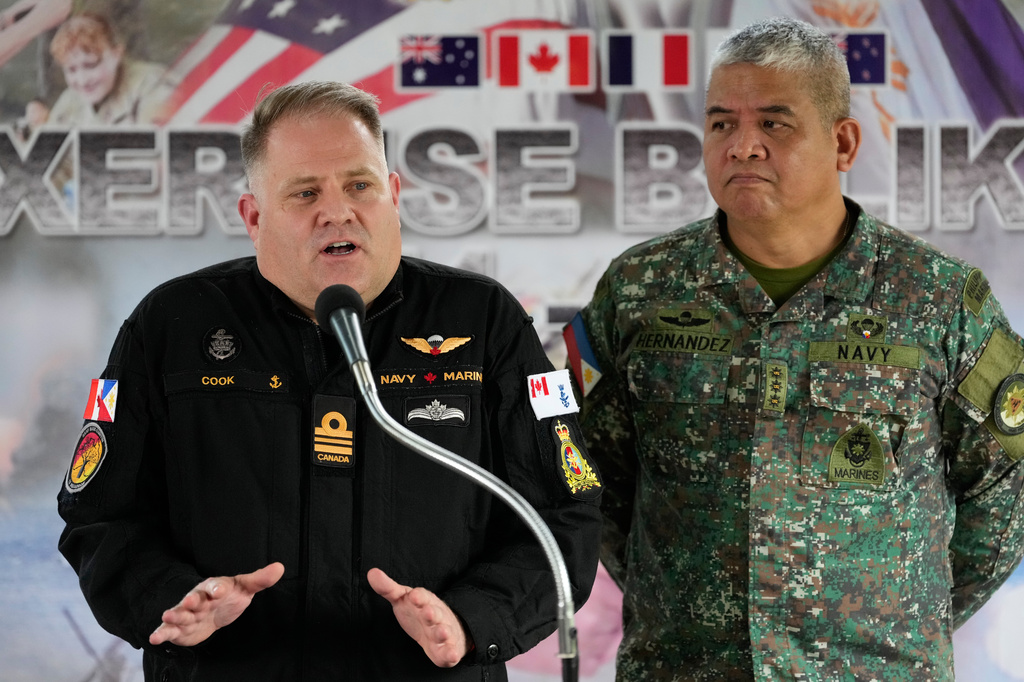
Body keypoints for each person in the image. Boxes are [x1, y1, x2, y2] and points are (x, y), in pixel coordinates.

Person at [57, 80, 603, 681]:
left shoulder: (484, 320)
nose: (337, 210)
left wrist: (471, 619)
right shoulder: (172, 324)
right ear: (255, 216)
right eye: (305, 192)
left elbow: (562, 512)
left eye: (360, 185)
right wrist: (171, 598)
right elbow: (99, 515)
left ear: (393, 194)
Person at [567, 16, 1024, 681]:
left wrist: (900, 614)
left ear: (842, 142)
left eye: (774, 124)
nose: (742, 146)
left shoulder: (939, 301)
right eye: (722, 123)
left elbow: (1004, 490)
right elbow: (585, 465)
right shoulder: (639, 291)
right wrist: (673, 593)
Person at [46, 12, 170, 125]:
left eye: (91, 65)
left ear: (117, 54)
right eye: (71, 69)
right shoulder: (69, 102)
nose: (82, 80)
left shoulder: (152, 84)